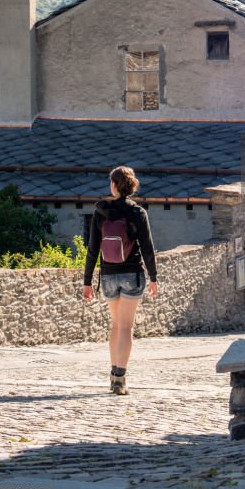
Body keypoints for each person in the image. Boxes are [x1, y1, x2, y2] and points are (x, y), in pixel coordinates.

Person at [82, 165, 159, 395]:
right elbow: (147, 249)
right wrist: (153, 277)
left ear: (114, 185)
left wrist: (87, 281)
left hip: (107, 275)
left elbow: (92, 249)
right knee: (126, 327)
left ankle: (113, 373)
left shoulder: (101, 211)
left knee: (115, 326)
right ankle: (120, 379)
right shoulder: (137, 213)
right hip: (132, 274)